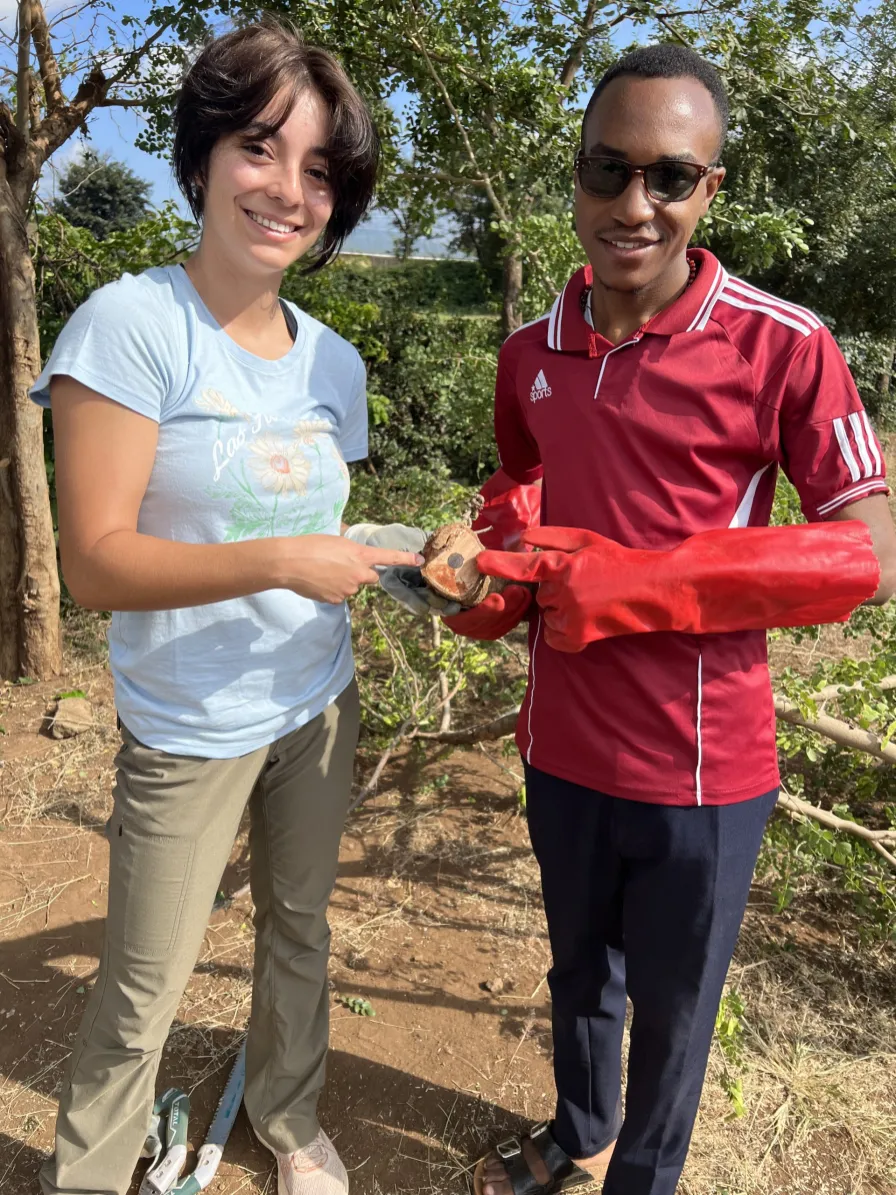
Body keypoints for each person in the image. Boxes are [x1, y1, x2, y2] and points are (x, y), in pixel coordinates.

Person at [439, 44, 896, 1195]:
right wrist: (481, 577)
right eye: (605, 170)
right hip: (558, 745)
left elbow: (870, 553)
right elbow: (521, 500)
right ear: (575, 177)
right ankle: (576, 1132)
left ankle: (643, 1178)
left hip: (701, 765)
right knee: (575, 972)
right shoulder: (526, 352)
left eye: (668, 176)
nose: (631, 204)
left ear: (709, 191)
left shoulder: (783, 345)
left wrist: (641, 583)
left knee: (673, 1004)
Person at [30, 20, 439, 1195]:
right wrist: (277, 561)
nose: (288, 190)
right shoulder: (131, 325)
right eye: (262, 148)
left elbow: (325, 529)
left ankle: (287, 1112)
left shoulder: (333, 364)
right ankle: (92, 1174)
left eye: (321, 170)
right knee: (143, 982)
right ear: (203, 154)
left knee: (298, 931)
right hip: (187, 721)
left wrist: (412, 555)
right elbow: (97, 565)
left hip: (313, 702)